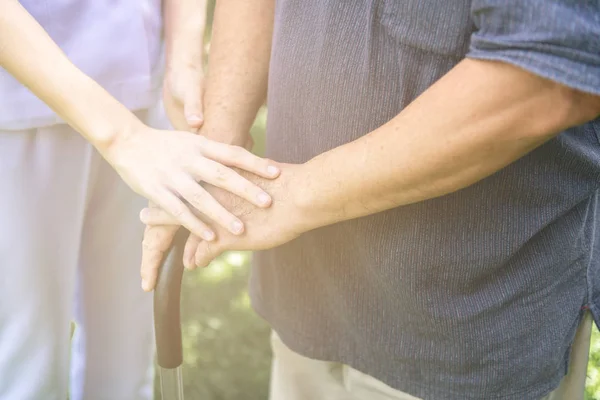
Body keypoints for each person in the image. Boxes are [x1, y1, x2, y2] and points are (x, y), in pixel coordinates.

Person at [141, 1, 600, 399]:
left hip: (463, 329)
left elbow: (547, 79)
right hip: (305, 292)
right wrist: (217, 157)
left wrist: (294, 196)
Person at [0, 1, 281, 399]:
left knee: (125, 363)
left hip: (144, 92)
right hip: (19, 102)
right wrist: (123, 138)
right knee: (27, 369)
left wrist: (182, 60)